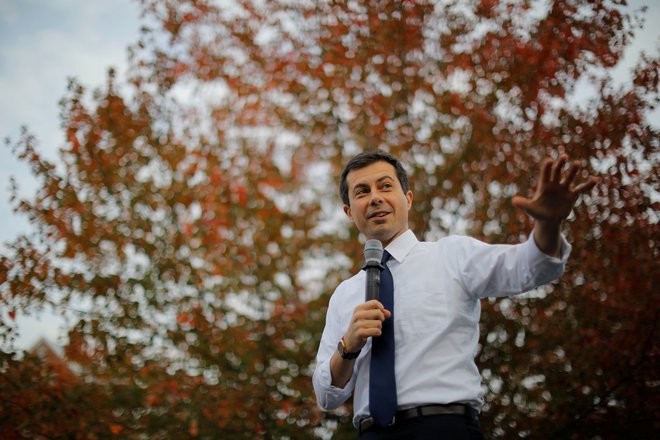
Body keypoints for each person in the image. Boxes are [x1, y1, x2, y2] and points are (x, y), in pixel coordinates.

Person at [312, 150, 597, 439]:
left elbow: (529, 267)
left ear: (408, 198)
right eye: (362, 191)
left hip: (445, 427)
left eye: (385, 186)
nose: (375, 197)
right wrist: (348, 347)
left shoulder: (453, 256)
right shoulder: (345, 294)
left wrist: (548, 225)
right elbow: (326, 395)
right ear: (349, 212)